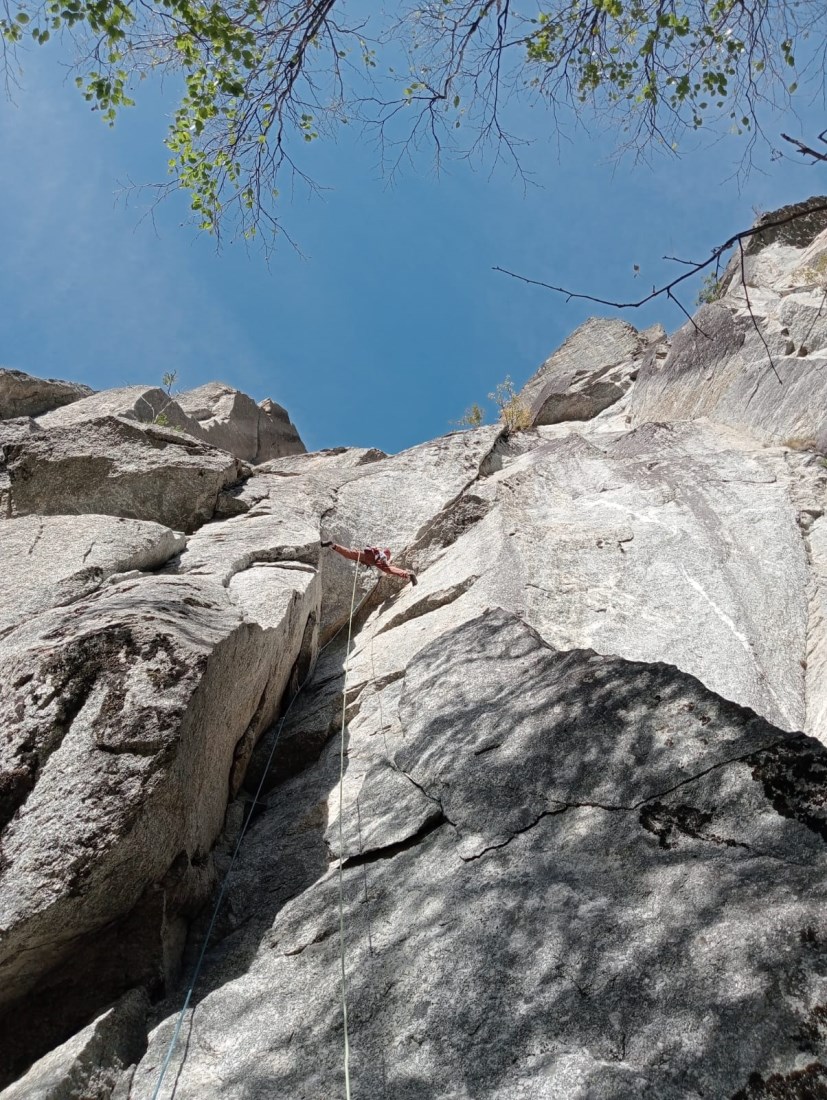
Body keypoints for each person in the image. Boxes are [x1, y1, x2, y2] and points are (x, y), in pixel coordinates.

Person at [321, 540, 417, 586]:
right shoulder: (382, 554)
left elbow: (381, 563)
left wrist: (380, 574)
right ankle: (408, 574)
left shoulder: (378, 552)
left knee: (348, 554)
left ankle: (332, 545)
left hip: (365, 555)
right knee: (389, 569)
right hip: (371, 559)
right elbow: (383, 558)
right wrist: (385, 562)